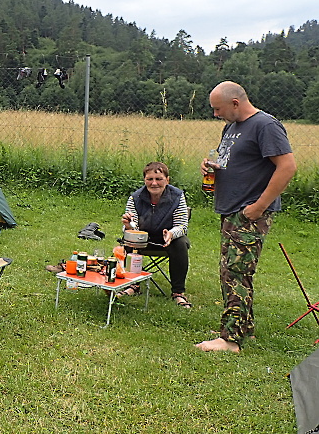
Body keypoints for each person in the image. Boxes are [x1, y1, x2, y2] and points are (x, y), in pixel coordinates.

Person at [196, 81, 296, 353]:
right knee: (232, 270)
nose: (216, 114)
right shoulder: (232, 127)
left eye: (218, 109)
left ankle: (230, 340)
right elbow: (234, 161)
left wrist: (259, 206)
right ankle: (245, 329)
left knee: (235, 273)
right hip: (232, 209)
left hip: (249, 212)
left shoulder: (266, 125)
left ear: (235, 103)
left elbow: (287, 167)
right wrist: (213, 166)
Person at [121, 161, 191, 307]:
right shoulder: (135, 198)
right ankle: (133, 284)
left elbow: (182, 226)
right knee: (128, 239)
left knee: (181, 243)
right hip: (143, 238)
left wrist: (171, 234)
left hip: (169, 239)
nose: (154, 183)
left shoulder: (177, 196)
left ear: (167, 180)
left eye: (159, 179)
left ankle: (178, 292)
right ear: (144, 180)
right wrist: (128, 226)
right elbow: (132, 227)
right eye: (150, 179)